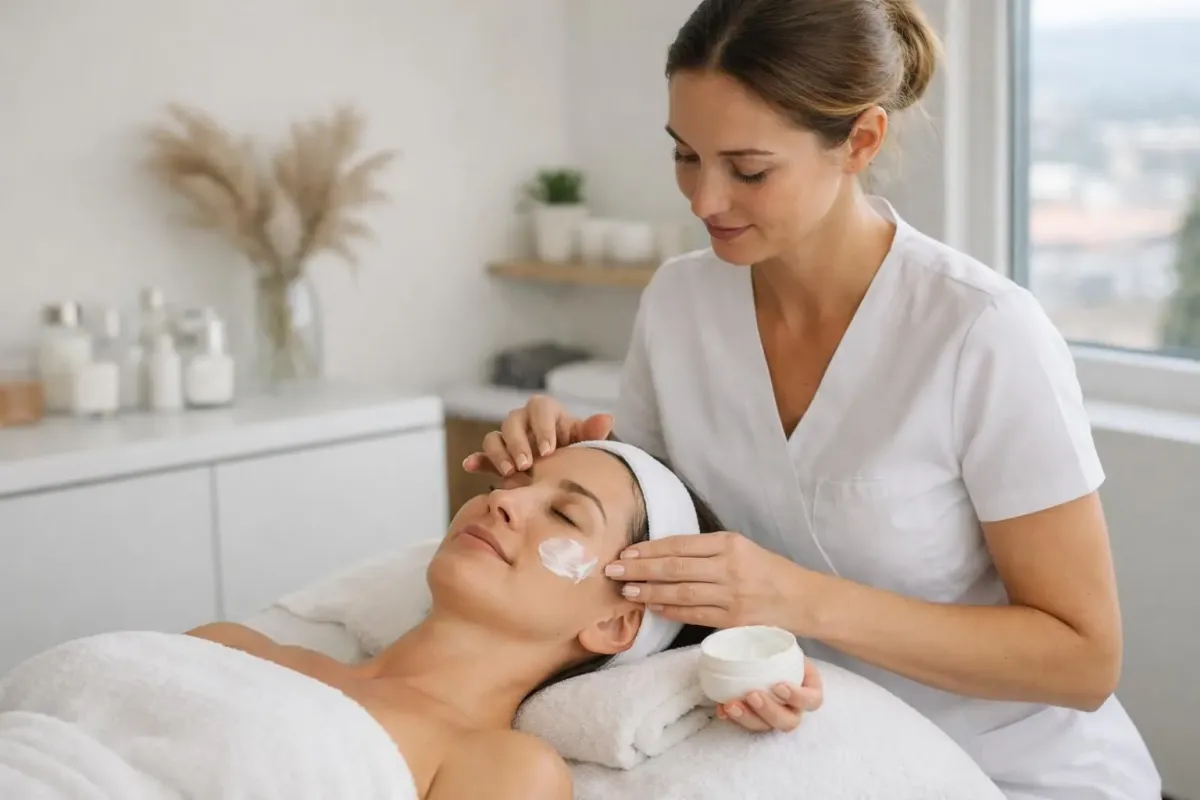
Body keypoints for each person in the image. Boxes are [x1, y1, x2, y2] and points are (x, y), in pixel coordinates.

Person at [463, 0, 1162, 797]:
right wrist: (570, 462)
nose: (704, 201)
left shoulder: (981, 333)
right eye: (685, 155)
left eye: (749, 169)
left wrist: (800, 602)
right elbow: (653, 549)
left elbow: (1082, 661)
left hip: (1006, 769)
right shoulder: (680, 301)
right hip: (803, 756)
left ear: (860, 142)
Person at [186, 440, 766, 800]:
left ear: (617, 624)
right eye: (505, 486)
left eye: (564, 514)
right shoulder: (231, 647)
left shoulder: (503, 770)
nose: (501, 503)